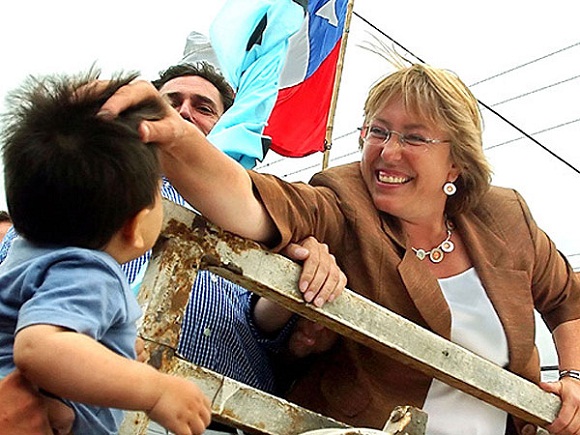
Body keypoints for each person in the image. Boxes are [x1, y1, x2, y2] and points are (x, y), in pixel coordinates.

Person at [98, 61, 580, 435]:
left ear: (456, 163)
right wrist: (179, 138)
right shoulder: (344, 200)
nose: (388, 152)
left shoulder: (506, 217)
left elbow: (567, 300)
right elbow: (252, 202)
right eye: (378, 130)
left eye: (413, 137)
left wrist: (574, 380)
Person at [0, 70, 211, 435]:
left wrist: (116, 352)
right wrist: (155, 389)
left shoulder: (26, 252)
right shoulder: (89, 271)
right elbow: (38, 348)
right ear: (135, 223)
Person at [128, 61, 345, 396]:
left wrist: (299, 272)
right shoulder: (92, 185)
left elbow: (260, 323)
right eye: (170, 104)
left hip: (227, 413)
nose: (184, 114)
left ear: (228, 124)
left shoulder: (262, 213)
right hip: (105, 399)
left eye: (203, 108)